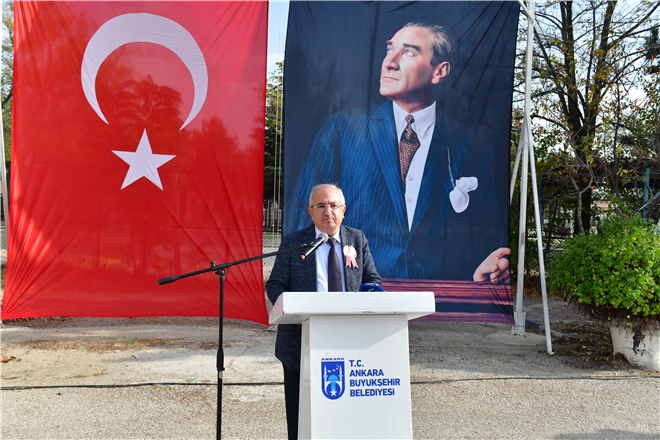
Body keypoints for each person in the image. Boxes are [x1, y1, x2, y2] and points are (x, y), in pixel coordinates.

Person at [285, 22, 510, 283]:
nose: (389, 63)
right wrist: (305, 278)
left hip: (438, 294)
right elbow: (302, 212)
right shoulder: (341, 129)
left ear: (439, 71)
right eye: (389, 50)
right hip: (355, 288)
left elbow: (483, 234)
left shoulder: (473, 145)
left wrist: (488, 263)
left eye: (409, 52)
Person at [266, 183, 381, 440]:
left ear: (343, 211)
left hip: (349, 343)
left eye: (333, 205)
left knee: (343, 417)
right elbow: (275, 284)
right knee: (301, 420)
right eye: (320, 206)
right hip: (300, 344)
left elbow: (372, 280)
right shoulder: (294, 243)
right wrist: (290, 307)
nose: (328, 211)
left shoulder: (357, 239)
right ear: (310, 212)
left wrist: (369, 301)